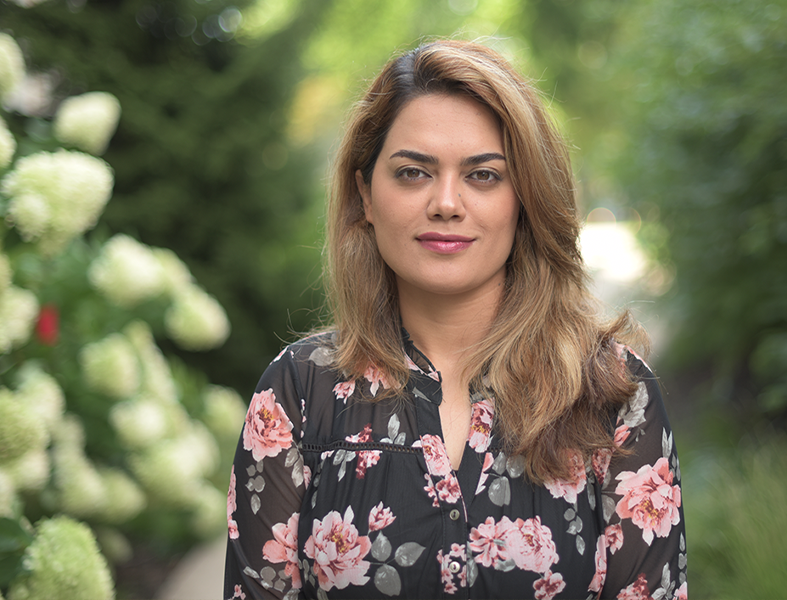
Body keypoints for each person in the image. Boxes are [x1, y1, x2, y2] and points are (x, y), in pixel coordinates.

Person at [225, 39, 686, 600]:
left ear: (526, 199)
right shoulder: (299, 392)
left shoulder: (612, 391)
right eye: (414, 173)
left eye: (484, 176)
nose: (446, 202)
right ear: (365, 195)